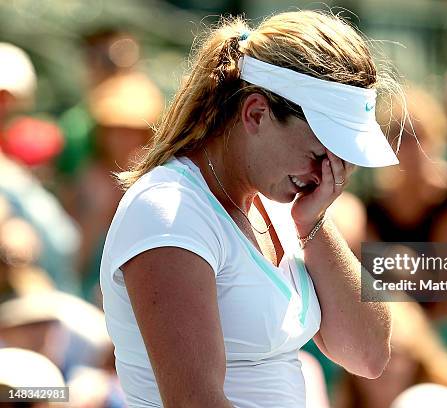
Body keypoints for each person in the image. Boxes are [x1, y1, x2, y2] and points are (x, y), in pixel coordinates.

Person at [100, 11, 398, 407]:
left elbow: (369, 355)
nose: (326, 173)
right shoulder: (167, 211)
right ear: (256, 113)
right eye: (317, 154)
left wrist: (314, 223)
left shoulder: (283, 206)